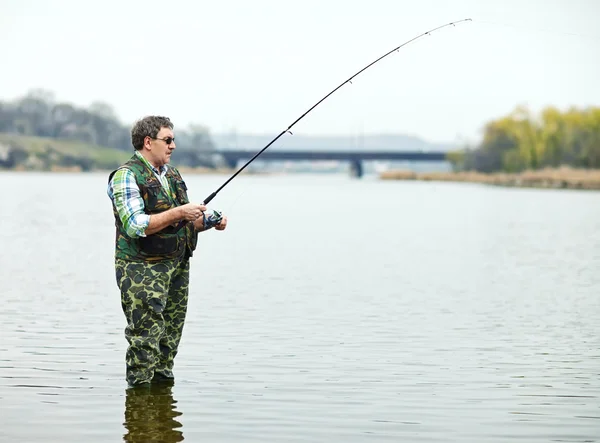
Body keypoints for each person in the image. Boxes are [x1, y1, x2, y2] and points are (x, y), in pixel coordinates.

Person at [107, 115, 227, 387]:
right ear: (148, 142)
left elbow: (185, 222)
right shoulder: (126, 176)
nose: (173, 146)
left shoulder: (172, 175)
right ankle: (139, 412)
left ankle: (162, 413)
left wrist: (211, 220)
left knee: (168, 343)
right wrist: (179, 212)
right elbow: (135, 225)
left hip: (176, 269)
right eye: (168, 140)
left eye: (174, 140)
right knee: (144, 342)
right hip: (142, 271)